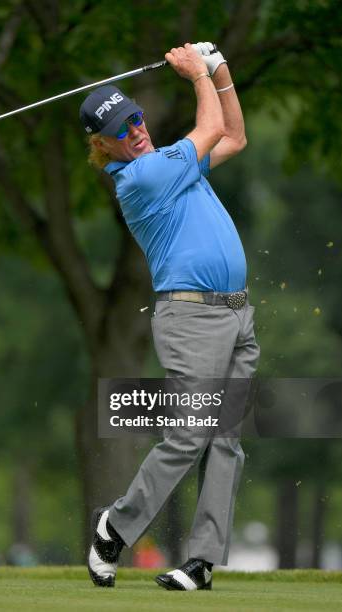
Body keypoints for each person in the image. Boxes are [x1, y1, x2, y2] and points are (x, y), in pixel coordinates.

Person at [79, 42, 260, 591]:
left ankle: (201, 562)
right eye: (121, 129)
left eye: (135, 117)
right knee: (188, 435)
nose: (135, 129)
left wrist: (220, 67)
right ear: (104, 145)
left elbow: (233, 136)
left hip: (236, 316)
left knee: (225, 439)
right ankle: (115, 526)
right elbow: (207, 130)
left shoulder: (168, 164)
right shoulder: (140, 178)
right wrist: (196, 75)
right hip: (192, 320)